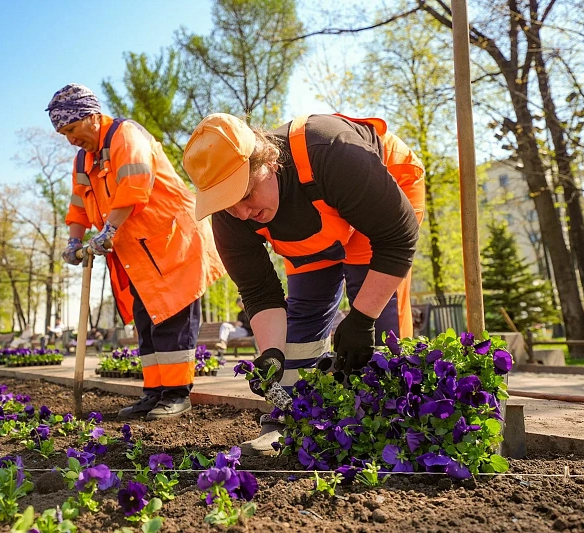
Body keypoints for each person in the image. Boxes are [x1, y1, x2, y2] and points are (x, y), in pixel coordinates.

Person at [183, 112, 424, 454]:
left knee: (378, 323)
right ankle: (288, 419)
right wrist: (271, 353)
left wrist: (362, 318)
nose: (241, 212)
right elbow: (259, 291)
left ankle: (389, 425)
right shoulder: (231, 216)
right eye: (226, 202)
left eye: (245, 193)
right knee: (304, 315)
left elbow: (398, 239)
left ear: (268, 161)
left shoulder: (332, 152)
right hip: (313, 223)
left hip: (381, 197)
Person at [47, 83, 225, 420]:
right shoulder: (84, 160)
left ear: (93, 117)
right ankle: (154, 393)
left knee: (172, 320)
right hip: (140, 253)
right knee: (146, 321)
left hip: (172, 243)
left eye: (71, 129)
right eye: (63, 133)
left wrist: (109, 229)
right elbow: (78, 206)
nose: (69, 138)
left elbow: (134, 187)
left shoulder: (126, 137)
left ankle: (177, 395)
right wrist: (74, 240)